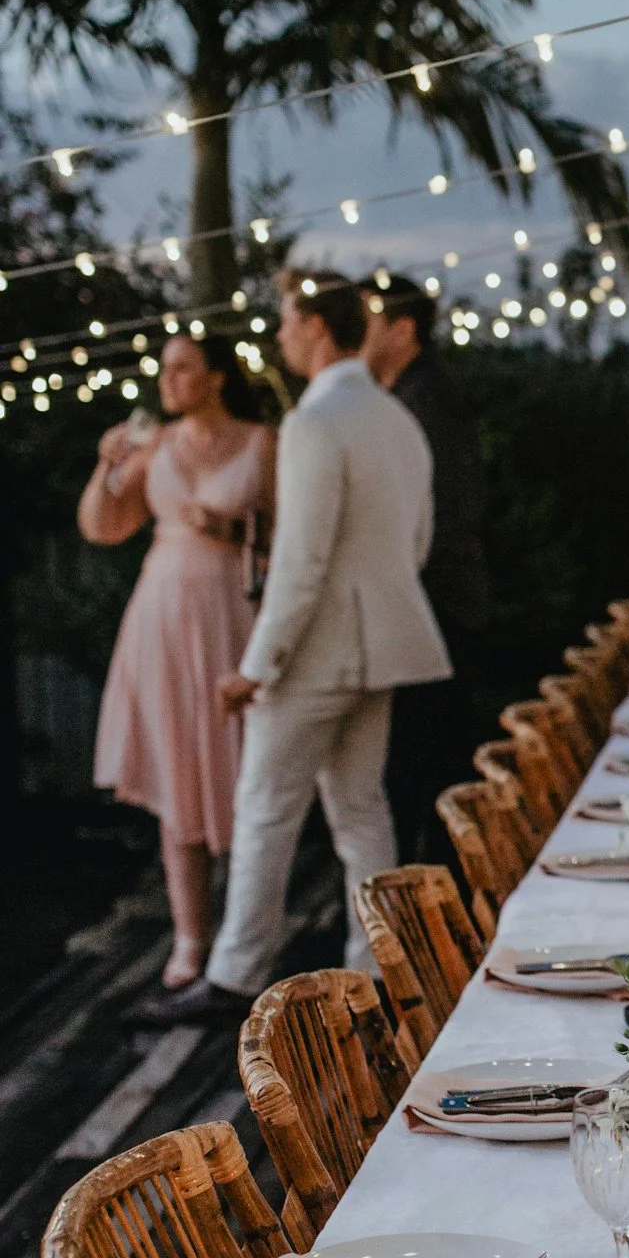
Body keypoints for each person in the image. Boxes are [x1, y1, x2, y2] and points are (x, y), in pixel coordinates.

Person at [154, 272, 449, 1024]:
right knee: (360, 810)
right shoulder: (394, 417)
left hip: (319, 653)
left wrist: (256, 667)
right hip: (382, 645)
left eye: (285, 322)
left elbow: (301, 560)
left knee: (264, 807)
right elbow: (415, 544)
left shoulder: (317, 421)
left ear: (317, 326)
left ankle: (231, 977)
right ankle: (376, 970)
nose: (279, 337)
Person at [79, 333, 275, 989]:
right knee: (176, 769)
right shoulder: (154, 442)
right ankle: (190, 937)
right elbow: (104, 526)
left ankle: (248, 937)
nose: (168, 379)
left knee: (246, 773)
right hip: (161, 618)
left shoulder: (260, 441)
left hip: (233, 617)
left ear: (216, 377)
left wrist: (234, 532)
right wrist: (106, 467)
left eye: (183, 367)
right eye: (163, 368)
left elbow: (290, 536)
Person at [360, 272, 489, 861]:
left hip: (436, 608)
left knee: (424, 773)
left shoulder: (426, 402)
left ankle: (428, 910)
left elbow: (444, 512)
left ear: (403, 328)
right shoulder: (404, 398)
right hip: (427, 605)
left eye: (368, 319)